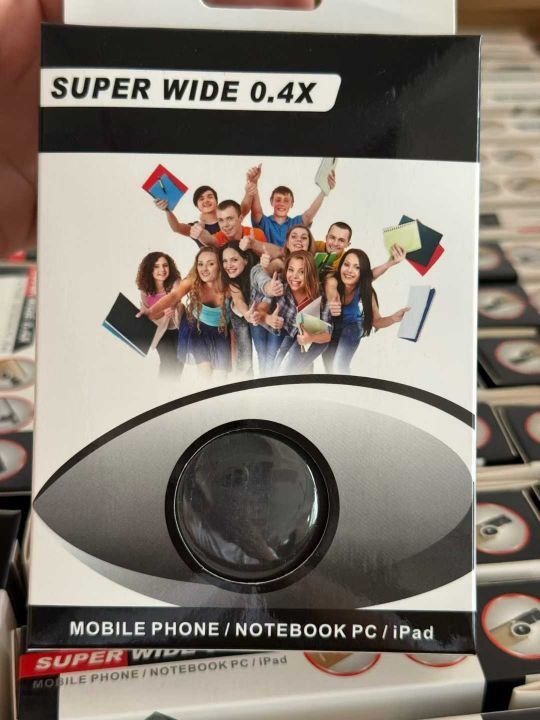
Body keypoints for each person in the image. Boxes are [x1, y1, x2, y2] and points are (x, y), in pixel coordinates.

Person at [143, 247, 230, 377]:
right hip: (197, 328)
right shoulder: (193, 280)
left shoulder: (230, 286)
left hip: (220, 330)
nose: (204, 269)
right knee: (205, 372)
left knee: (221, 375)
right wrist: (150, 311)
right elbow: (174, 296)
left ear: (220, 266)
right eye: (200, 264)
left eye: (211, 264)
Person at [323, 248, 409, 375]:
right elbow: (331, 290)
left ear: (362, 273)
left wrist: (394, 318)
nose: (349, 270)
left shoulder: (365, 290)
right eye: (346, 264)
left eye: (357, 267)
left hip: (352, 328)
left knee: (339, 365)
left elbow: (377, 321)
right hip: (331, 329)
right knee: (329, 368)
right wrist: (332, 300)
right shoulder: (332, 280)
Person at [255, 251, 331, 375]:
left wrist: (310, 338)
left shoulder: (321, 296)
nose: (294, 276)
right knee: (277, 366)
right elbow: (260, 310)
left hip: (316, 340)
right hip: (293, 334)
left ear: (310, 274)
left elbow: (327, 335)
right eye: (291, 270)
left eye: (302, 272)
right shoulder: (279, 287)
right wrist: (268, 318)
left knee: (286, 371)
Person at [244, 163, 336, 247]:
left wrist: (324, 191)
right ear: (271, 202)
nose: (282, 204)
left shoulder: (295, 223)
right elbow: (257, 212)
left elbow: (308, 215)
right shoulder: (265, 222)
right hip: (268, 259)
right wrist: (254, 183)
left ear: (291, 204)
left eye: (286, 201)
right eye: (278, 200)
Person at [136, 252, 184, 377]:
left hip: (178, 326)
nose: (162, 270)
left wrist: (172, 306)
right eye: (156, 266)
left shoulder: (176, 281)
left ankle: (174, 386)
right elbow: (151, 316)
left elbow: (175, 296)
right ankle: (166, 384)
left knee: (180, 361)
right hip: (159, 330)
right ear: (149, 269)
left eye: (165, 265)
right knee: (168, 359)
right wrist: (162, 312)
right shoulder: (145, 291)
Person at [219, 241, 260, 377]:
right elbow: (238, 299)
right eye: (225, 261)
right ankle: (243, 377)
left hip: (259, 312)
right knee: (244, 353)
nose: (228, 265)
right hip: (240, 313)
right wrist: (247, 313)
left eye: (234, 260)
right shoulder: (230, 280)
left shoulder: (256, 271)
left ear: (246, 260)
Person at [315, 221, 406, 278]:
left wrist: (390, 263)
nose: (335, 243)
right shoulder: (315, 246)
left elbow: (367, 277)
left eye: (341, 240)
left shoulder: (347, 260)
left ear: (347, 244)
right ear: (326, 237)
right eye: (332, 237)